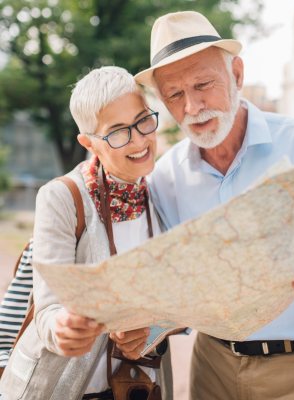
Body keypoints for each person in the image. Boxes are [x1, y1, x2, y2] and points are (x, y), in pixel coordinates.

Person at [135, 11, 294, 400]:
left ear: (237, 75)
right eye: (175, 94)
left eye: (203, 84)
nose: (192, 106)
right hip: (211, 368)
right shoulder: (164, 177)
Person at [0, 67, 173, 399]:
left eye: (143, 121)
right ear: (89, 143)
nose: (139, 140)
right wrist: (63, 328)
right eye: (118, 132)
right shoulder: (61, 196)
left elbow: (176, 300)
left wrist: (151, 328)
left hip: (138, 387)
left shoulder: (160, 193)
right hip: (56, 388)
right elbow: (49, 309)